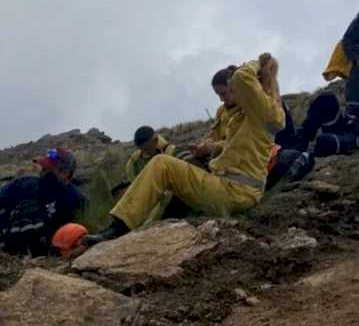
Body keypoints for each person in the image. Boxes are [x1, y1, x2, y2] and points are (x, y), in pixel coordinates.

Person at [85, 54, 285, 245]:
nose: (227, 98)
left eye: (229, 91)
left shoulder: (266, 112)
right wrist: (207, 148)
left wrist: (258, 62)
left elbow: (242, 78)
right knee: (165, 166)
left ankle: (119, 229)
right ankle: (122, 226)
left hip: (238, 192)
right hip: (229, 186)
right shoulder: (248, 113)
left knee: (162, 163)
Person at [0, 148, 86, 255]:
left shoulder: (75, 198)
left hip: (41, 253)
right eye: (43, 167)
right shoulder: (24, 184)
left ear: (65, 173)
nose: (43, 172)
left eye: (48, 169)